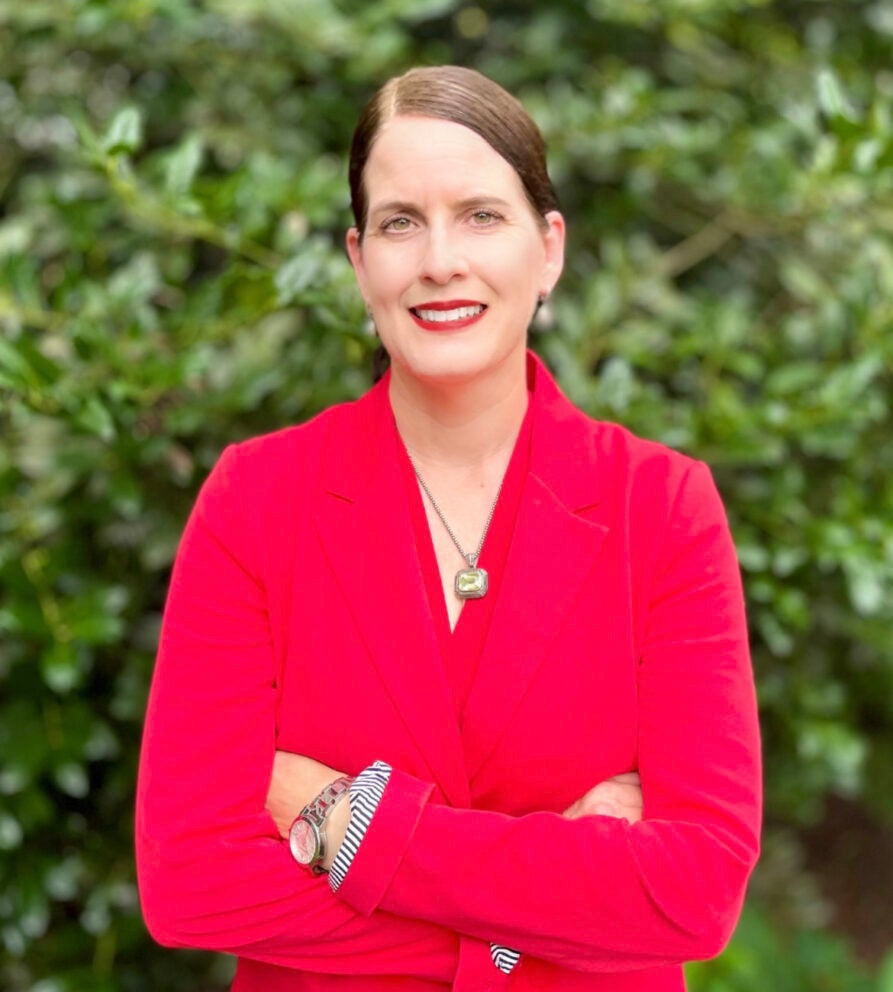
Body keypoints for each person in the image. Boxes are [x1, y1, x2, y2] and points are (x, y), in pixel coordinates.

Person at [136, 65, 761, 992]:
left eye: (480, 215)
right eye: (399, 222)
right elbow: (190, 881)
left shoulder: (661, 507)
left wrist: (358, 828)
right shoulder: (256, 498)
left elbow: (695, 894)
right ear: (358, 261)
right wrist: (537, 933)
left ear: (548, 249)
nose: (438, 261)